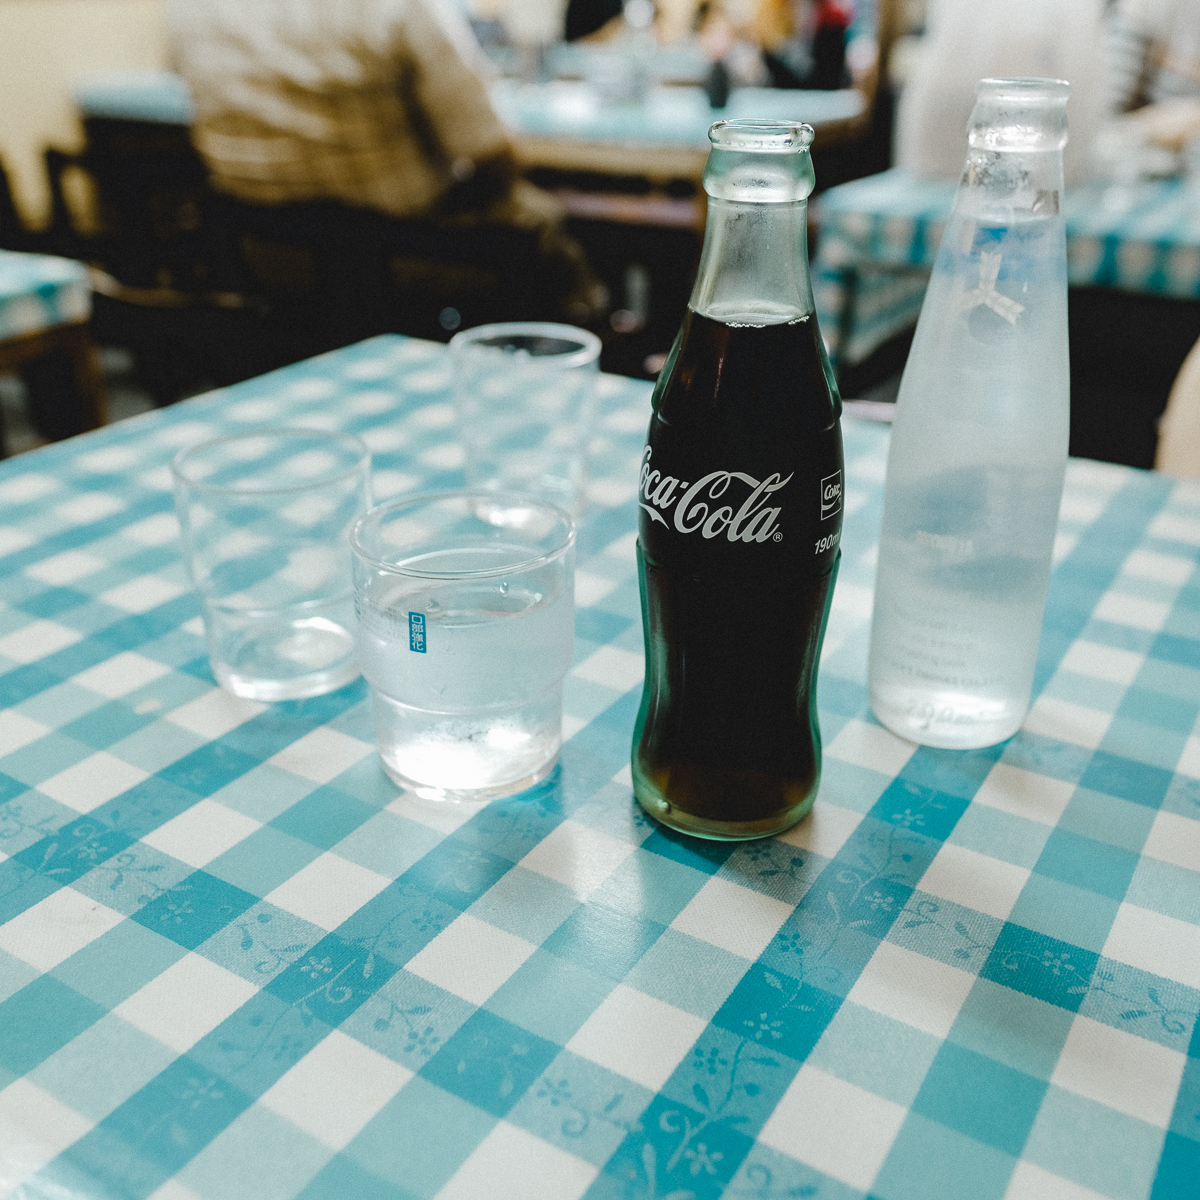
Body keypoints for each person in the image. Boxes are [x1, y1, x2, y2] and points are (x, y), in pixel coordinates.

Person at [165, 0, 606, 329]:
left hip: (260, 257)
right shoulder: (402, 6)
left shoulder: (191, 9)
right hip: (404, 259)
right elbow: (496, 153)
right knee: (544, 221)